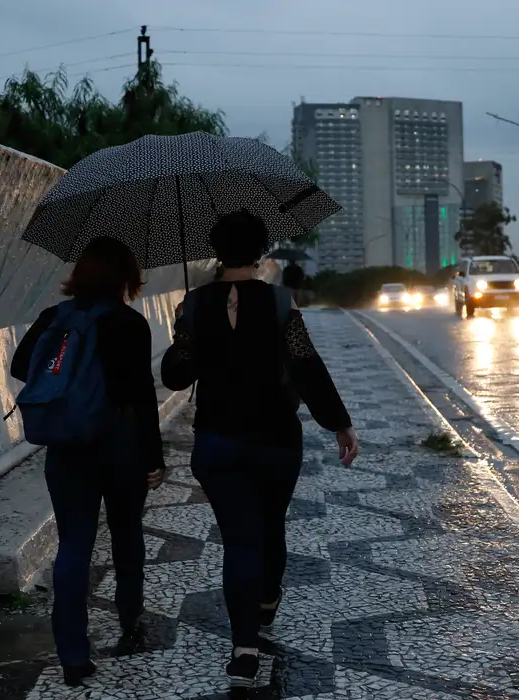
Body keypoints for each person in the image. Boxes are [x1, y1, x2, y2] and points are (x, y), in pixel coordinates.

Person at [160, 210, 359, 688]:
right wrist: (339, 423)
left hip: (218, 442)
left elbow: (174, 377)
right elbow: (306, 366)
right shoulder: (279, 303)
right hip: (275, 441)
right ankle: (267, 600)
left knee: (240, 541)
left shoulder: (194, 304)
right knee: (269, 530)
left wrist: (183, 336)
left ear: (216, 250)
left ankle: (244, 651)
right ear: (259, 252)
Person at [10, 236, 166, 687]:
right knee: (126, 531)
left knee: (74, 545)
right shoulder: (129, 324)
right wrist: (153, 457)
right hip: (120, 445)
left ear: (79, 276)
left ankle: (73, 656)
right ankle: (130, 614)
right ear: (125, 277)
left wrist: (68, 376)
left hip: (67, 446)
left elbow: (23, 366)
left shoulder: (53, 318)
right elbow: (142, 397)